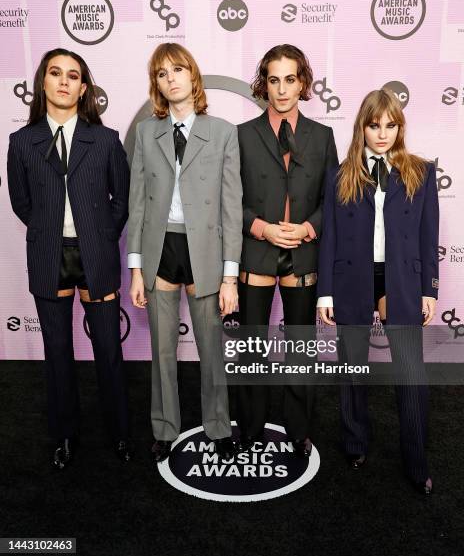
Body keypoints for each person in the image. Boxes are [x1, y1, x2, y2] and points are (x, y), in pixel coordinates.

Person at [7, 48, 131, 469]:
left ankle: (119, 433)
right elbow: (21, 203)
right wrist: (47, 233)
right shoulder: (22, 142)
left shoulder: (106, 140)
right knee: (57, 351)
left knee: (109, 350)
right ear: (43, 83)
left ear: (83, 88)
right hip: (50, 256)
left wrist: (103, 235)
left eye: (73, 75)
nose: (63, 81)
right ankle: (64, 435)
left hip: (96, 255)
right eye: (55, 73)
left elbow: (122, 198)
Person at [317, 88, 439, 495]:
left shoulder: (420, 172)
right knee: (353, 366)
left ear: (400, 127)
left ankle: (416, 459)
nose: (382, 133)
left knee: (411, 372)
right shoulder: (340, 174)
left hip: (402, 280)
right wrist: (325, 293)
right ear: (362, 127)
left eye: (390, 125)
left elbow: (427, 237)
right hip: (353, 278)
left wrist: (429, 290)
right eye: (374, 125)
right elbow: (329, 237)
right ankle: (355, 442)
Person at [128, 43, 242, 463]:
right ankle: (164, 428)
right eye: (161, 73)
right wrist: (135, 269)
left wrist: (230, 277)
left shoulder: (223, 131)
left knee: (212, 348)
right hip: (161, 249)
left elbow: (232, 207)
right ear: (156, 85)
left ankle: (217, 426)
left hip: (205, 251)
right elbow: (137, 204)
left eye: (177, 69)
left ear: (193, 75)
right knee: (161, 349)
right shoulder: (145, 133)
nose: (170, 77)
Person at [237, 44, 338, 456]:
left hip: (302, 254)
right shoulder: (242, 134)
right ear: (265, 83)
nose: (282, 90)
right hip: (257, 252)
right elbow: (230, 201)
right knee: (252, 349)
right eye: (274, 80)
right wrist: (262, 228)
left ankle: (298, 429)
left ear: (304, 83)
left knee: (300, 347)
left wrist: (309, 229)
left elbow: (335, 199)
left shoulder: (323, 136)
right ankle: (251, 427)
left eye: (290, 80)